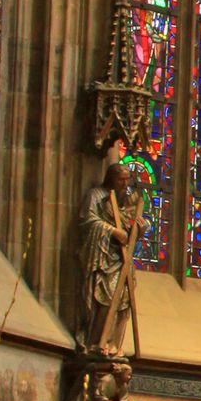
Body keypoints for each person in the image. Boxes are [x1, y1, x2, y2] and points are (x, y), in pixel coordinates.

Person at [76, 136, 140, 361]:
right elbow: (87, 220)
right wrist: (112, 231)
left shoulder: (125, 202)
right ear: (112, 179)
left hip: (122, 259)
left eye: (127, 180)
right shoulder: (96, 195)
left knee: (124, 299)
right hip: (103, 258)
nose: (125, 185)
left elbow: (130, 225)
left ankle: (114, 344)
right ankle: (97, 342)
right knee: (105, 296)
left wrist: (138, 228)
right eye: (121, 180)